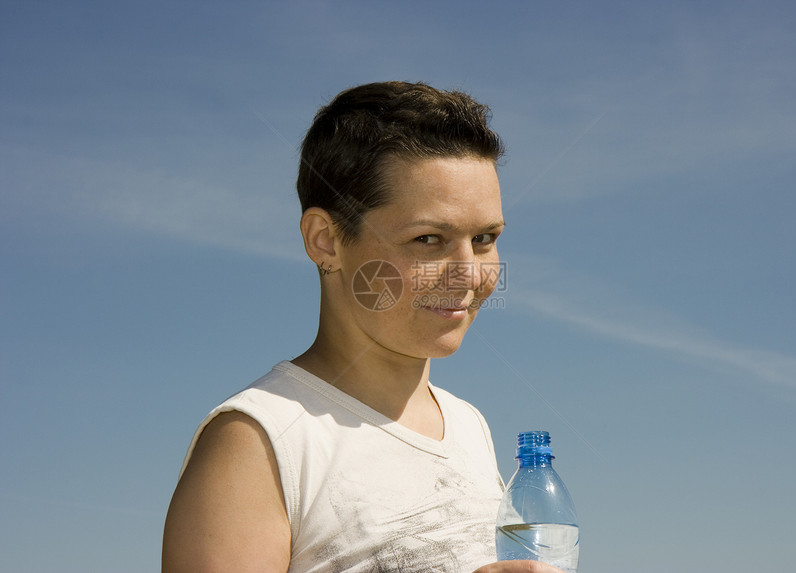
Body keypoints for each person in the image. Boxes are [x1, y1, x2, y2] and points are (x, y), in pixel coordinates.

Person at [162, 81, 563, 572]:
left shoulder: (468, 427)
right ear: (325, 240)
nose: (470, 274)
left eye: (484, 238)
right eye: (429, 239)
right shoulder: (256, 443)